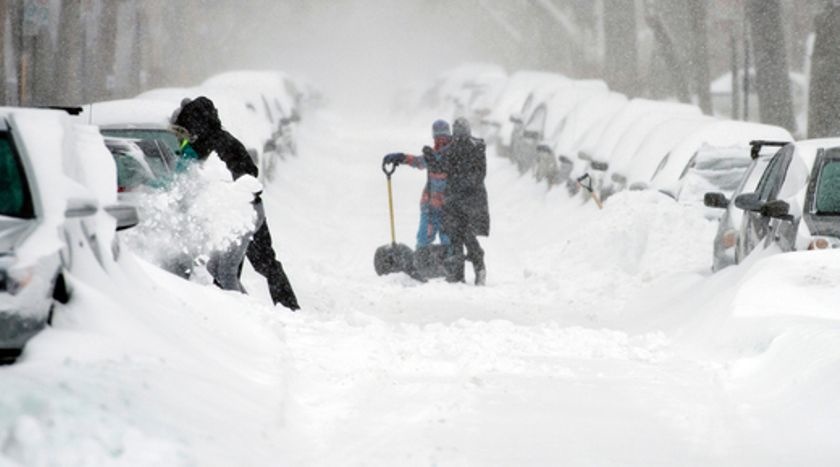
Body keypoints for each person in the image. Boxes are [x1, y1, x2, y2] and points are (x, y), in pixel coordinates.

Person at [171, 96, 300, 310]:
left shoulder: (219, 144)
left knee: (237, 269)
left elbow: (250, 173)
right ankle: (249, 310)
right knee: (228, 268)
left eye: (184, 132)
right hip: (236, 212)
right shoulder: (205, 144)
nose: (183, 138)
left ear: (196, 126)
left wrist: (231, 191)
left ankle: (263, 312)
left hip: (244, 212)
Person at [383, 120, 452, 274]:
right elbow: (417, 161)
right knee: (423, 237)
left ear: (449, 137)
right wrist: (401, 158)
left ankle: (447, 264)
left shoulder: (455, 156)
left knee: (448, 239)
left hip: (449, 208)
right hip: (430, 206)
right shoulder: (431, 155)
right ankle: (422, 263)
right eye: (437, 138)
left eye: (444, 138)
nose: (440, 141)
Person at [439, 117, 489, 285]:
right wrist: (431, 158)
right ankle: (459, 273)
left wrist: (461, 185)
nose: (458, 136)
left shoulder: (475, 148)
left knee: (467, 234)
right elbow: (441, 166)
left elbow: (478, 175)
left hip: (471, 201)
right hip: (456, 201)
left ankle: (478, 267)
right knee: (456, 236)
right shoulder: (452, 149)